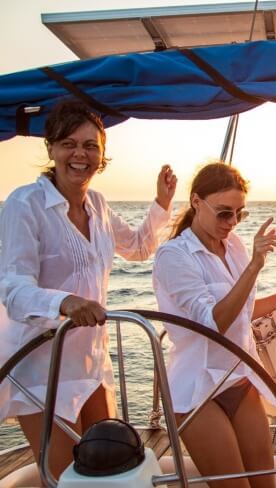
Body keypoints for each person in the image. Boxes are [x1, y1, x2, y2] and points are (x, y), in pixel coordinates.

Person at [0, 100, 177, 478]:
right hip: (40, 369)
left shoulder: (97, 204)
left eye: (90, 145)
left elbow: (138, 247)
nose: (80, 154)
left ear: (102, 155)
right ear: (50, 149)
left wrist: (161, 204)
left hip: (92, 363)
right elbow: (13, 289)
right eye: (69, 143)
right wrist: (65, 302)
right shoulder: (23, 204)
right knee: (67, 479)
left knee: (109, 471)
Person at [152, 162, 276, 488]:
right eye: (224, 213)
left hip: (240, 379)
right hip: (198, 389)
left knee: (264, 484)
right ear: (196, 202)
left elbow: (245, 311)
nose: (232, 223)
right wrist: (255, 266)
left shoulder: (236, 246)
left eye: (239, 214)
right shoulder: (174, 257)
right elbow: (213, 323)